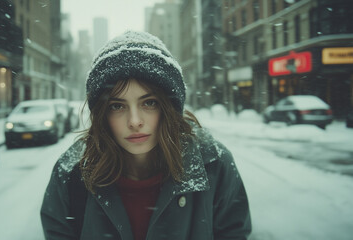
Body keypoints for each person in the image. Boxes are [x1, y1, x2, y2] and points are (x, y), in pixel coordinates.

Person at [40, 31, 251, 240]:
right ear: (102, 114)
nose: (134, 121)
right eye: (117, 106)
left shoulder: (213, 165)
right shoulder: (71, 174)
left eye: (149, 103)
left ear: (169, 107)